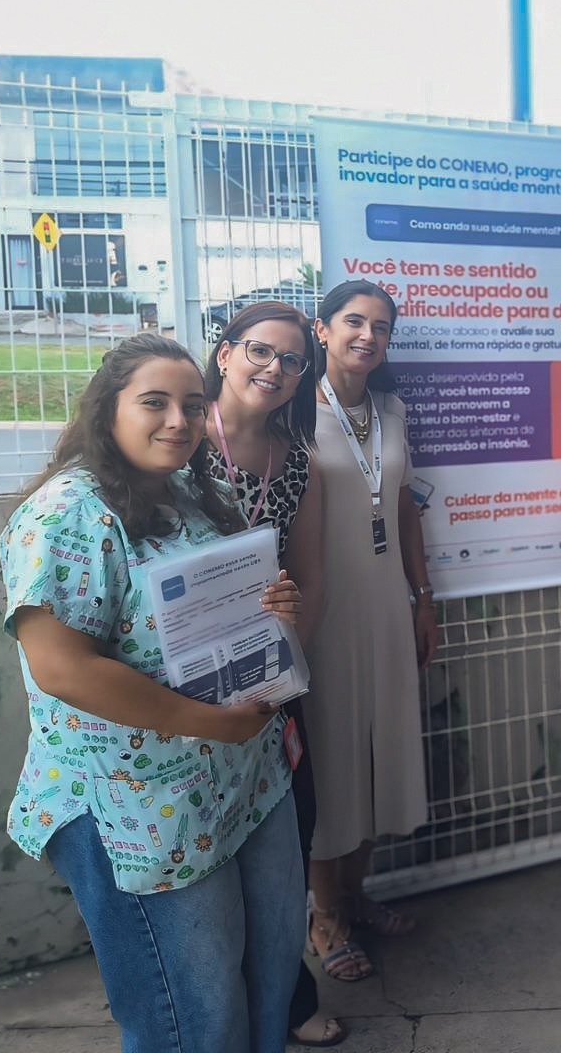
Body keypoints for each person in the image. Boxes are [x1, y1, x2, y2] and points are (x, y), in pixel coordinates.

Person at [0, 333, 304, 1053]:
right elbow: (63, 668)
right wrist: (210, 722)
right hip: (140, 809)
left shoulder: (198, 493)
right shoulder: (68, 515)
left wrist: (274, 608)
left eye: (193, 406)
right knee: (193, 1019)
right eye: (154, 403)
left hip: (244, 780)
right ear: (108, 411)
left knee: (270, 978)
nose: (178, 421)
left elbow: (233, 603)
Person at [199, 301, 343, 1047]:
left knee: (289, 833)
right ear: (225, 353)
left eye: (292, 361)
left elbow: (311, 580)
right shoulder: (179, 442)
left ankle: (288, 998)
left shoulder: (297, 464)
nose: (276, 369)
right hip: (179, 686)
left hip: (268, 681)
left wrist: (281, 675)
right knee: (209, 856)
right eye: (261, 351)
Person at [305, 280, 437, 977]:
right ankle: (324, 916)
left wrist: (423, 596)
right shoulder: (294, 411)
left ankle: (356, 896)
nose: (367, 335)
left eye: (381, 326)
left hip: (386, 600)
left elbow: (406, 509)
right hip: (324, 607)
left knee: (381, 750)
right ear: (322, 330)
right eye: (353, 321)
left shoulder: (391, 409)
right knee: (332, 757)